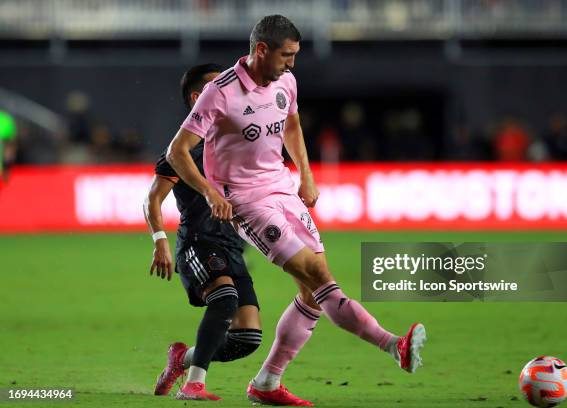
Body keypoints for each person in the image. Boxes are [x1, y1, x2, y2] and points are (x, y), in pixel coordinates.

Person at [166, 15, 426, 406]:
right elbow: (177, 151)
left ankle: (267, 383)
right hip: (246, 201)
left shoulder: (285, 81)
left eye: (295, 56)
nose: (292, 64)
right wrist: (207, 192)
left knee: (309, 292)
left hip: (282, 189)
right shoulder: (219, 93)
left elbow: (291, 124)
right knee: (321, 276)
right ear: (261, 50)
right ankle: (393, 345)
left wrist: (305, 174)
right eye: (286, 55)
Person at [144, 64, 262, 401]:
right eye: (218, 86)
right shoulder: (181, 152)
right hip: (198, 242)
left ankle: (182, 359)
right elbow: (152, 199)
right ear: (199, 97)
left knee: (247, 339)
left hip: (232, 247)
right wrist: (160, 242)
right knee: (224, 299)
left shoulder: (239, 140)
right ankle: (195, 384)